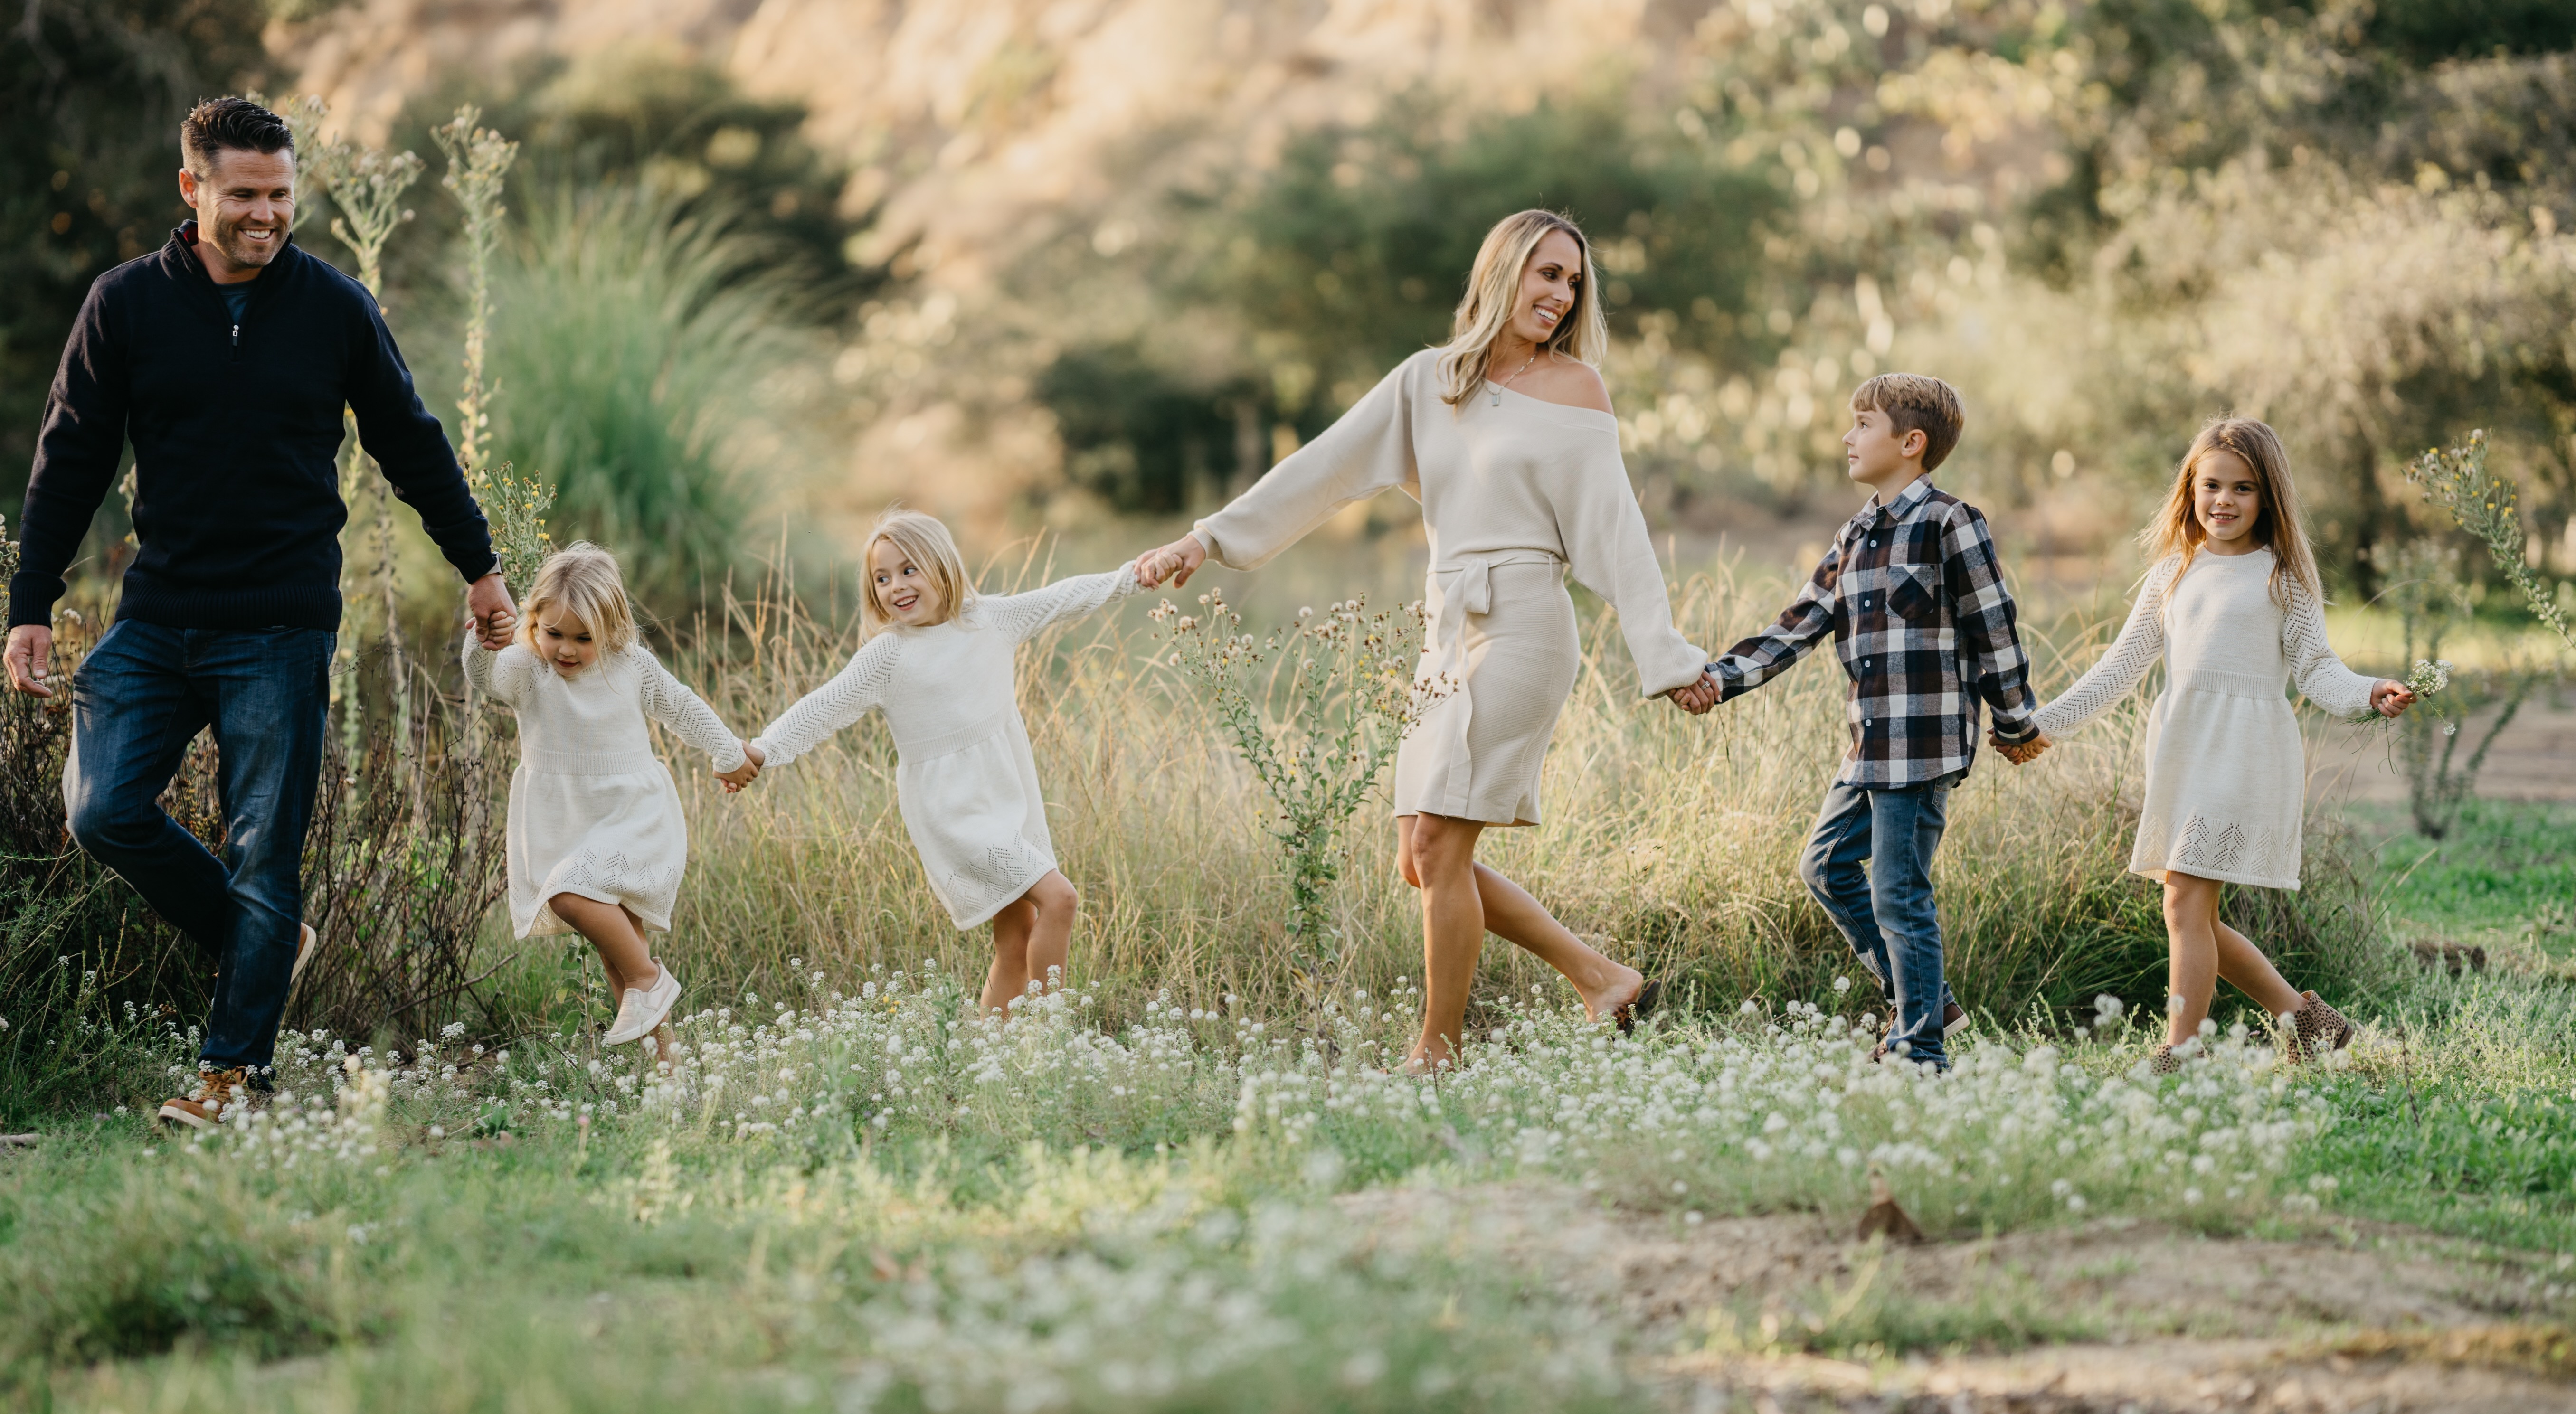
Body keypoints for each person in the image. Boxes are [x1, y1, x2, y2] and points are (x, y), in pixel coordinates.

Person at [3, 96, 518, 1129]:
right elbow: (71, 460)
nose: (267, 215)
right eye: (244, 194)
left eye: (282, 194)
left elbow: (411, 441)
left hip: (281, 624)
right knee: (101, 810)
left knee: (263, 852)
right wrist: (32, 603)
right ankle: (269, 943)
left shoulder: (333, 306)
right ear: (192, 189)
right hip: (157, 616)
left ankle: (233, 1075)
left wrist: (480, 565)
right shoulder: (125, 306)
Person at [1132, 208, 1709, 1072]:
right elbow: (1320, 469)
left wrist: (1664, 656)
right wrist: (1206, 538)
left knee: (1441, 843)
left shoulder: (1576, 391)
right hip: (1445, 631)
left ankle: (1437, 1050)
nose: (1561, 295)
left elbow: (1617, 533)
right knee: (1418, 858)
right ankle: (1601, 978)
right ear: (1501, 269)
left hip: (1524, 625)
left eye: (1573, 282)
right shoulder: (1427, 383)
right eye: (1546, 273)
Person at [1667, 375, 2036, 1071]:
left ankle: (1920, 1049)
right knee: (1827, 868)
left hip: (1922, 746)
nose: (1847, 436)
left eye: (1862, 424)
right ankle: (1927, 999)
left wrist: (2015, 724)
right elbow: (1797, 625)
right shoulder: (1856, 533)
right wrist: (1719, 680)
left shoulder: (1951, 523)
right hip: (1868, 749)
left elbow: (1995, 628)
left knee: (1898, 889)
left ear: (1910, 442)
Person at [2023, 418, 2411, 1067]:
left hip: (2247, 752)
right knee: (2193, 914)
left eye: (2244, 488)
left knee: (2183, 901)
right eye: (2212, 485)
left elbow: (2317, 668)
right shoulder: (2172, 574)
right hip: (2184, 751)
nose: (2224, 500)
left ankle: (2182, 1052)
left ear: (2269, 497)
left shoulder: (2281, 578)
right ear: (2190, 488)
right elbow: (2118, 669)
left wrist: (2367, 692)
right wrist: (2044, 725)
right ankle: (2308, 1022)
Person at [735, 511, 1136, 1014]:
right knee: (1060, 899)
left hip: (1007, 794)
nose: (895, 587)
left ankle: (994, 1053)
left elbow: (1064, 597)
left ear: (942, 566)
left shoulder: (989, 619)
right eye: (881, 578)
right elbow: (823, 706)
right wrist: (763, 749)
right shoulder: (887, 656)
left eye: (909, 570)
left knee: (1016, 938)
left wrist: (1135, 576)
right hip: (954, 810)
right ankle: (1049, 1038)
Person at [463, 544, 747, 1053]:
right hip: (568, 819)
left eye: (583, 638)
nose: (566, 650)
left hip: (631, 812)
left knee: (569, 893)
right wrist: (483, 642)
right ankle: (666, 1066)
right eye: (554, 634)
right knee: (619, 952)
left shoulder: (631, 665)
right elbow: (487, 679)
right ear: (534, 622)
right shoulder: (529, 668)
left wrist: (728, 753)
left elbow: (681, 707)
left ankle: (651, 980)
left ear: (612, 631)